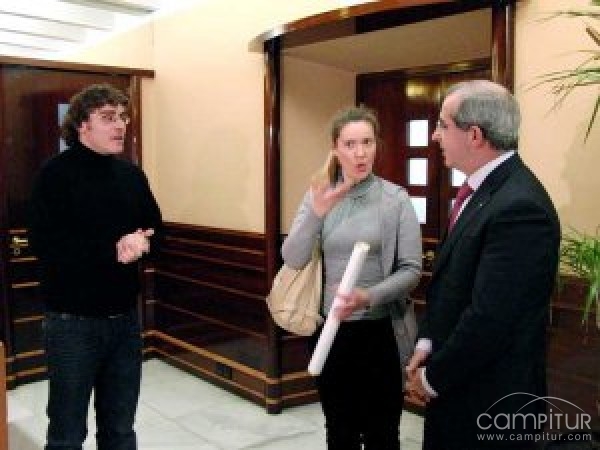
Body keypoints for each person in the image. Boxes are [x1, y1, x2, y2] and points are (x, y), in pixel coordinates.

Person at [406, 80, 560, 449]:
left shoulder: (519, 207)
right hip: (460, 389)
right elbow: (450, 285)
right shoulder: (481, 192)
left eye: (443, 125)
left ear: (474, 135)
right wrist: (426, 342)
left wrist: (431, 378)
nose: (435, 135)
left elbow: (491, 318)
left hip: (491, 403)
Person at [30, 83, 162, 450]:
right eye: (108, 117)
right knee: (67, 433)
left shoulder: (131, 176)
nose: (120, 125)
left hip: (125, 321)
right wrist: (115, 249)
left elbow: (157, 229)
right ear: (81, 125)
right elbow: (45, 245)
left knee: (120, 429)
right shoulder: (54, 175)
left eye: (122, 117)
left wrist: (144, 242)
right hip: (71, 324)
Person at [281, 106, 422, 450]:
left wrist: (367, 296)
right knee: (339, 430)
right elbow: (293, 258)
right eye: (350, 144)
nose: (360, 153)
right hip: (330, 333)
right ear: (335, 148)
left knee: (382, 433)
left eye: (367, 142)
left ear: (376, 145)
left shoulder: (395, 199)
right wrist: (316, 214)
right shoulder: (319, 195)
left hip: (381, 333)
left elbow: (411, 271)